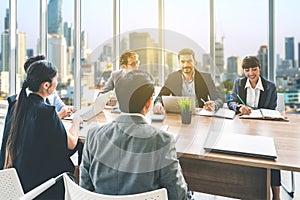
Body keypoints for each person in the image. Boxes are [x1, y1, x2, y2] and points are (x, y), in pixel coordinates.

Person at [80, 70, 189, 199]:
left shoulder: (93, 136)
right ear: (148, 103)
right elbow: (177, 195)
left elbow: (85, 190)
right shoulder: (162, 140)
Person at [0, 60, 82, 199]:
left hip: (18, 182)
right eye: (56, 80)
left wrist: (58, 118)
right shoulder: (46, 112)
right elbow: (72, 143)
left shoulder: (16, 104)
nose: (57, 83)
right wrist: (76, 122)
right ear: (46, 85)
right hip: (41, 187)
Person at [227, 56, 281, 200]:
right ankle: (246, 190)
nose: (251, 73)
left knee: (272, 158)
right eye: (247, 70)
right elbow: (231, 101)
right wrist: (239, 107)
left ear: (259, 68)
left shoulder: (270, 87)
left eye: (254, 69)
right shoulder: (239, 83)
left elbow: (271, 109)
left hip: (264, 129)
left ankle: (276, 195)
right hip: (243, 127)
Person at [153, 48, 223, 114]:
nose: (186, 65)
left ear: (194, 61)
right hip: (178, 116)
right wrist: (158, 103)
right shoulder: (172, 77)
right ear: (179, 62)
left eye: (189, 61)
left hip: (200, 117)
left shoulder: (206, 78)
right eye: (183, 62)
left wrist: (214, 104)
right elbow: (160, 97)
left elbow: (218, 99)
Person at [23, 55, 75, 119]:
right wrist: (59, 115)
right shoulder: (27, 100)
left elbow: (61, 106)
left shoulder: (51, 91)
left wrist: (67, 110)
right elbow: (41, 122)